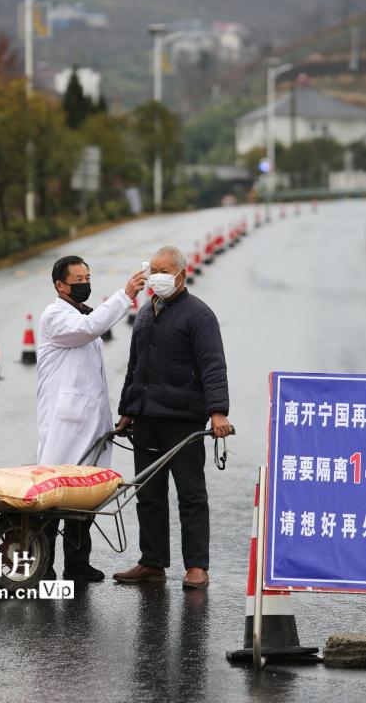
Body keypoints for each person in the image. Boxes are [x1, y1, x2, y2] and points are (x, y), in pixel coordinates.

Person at [113, 246, 231, 589]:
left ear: (182, 273)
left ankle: (197, 566)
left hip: (182, 419)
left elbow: (213, 365)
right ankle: (152, 562)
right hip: (147, 418)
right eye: (154, 270)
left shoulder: (198, 315)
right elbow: (135, 366)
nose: (158, 276)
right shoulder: (147, 312)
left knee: (191, 494)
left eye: (164, 270)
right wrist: (127, 410)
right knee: (148, 493)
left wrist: (217, 411)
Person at [37, 255, 145, 582]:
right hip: (65, 423)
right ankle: (44, 567)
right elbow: (89, 328)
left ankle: (78, 564)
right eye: (78, 279)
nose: (85, 283)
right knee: (54, 496)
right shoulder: (56, 316)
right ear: (60, 285)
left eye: (88, 277)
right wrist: (125, 294)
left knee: (83, 494)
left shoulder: (81, 312)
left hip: (88, 420)